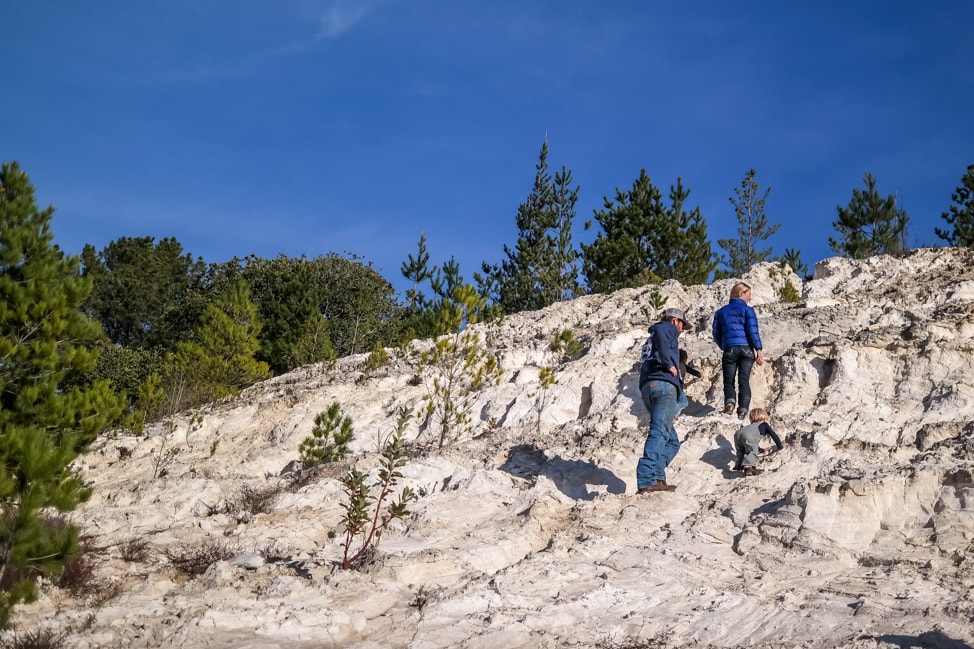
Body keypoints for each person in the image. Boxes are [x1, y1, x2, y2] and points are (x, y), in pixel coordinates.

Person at [636, 307, 690, 494]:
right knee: (659, 433)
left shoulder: (652, 340)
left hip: (649, 387)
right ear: (675, 321)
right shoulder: (666, 328)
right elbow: (660, 332)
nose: (682, 330)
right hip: (664, 385)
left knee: (672, 440)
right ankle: (646, 478)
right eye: (682, 325)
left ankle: (657, 476)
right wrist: (669, 364)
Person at [712, 282, 764, 419]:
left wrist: (724, 345)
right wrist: (758, 349)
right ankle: (743, 410)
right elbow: (753, 331)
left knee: (728, 380)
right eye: (749, 294)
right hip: (746, 349)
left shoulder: (721, 312)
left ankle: (729, 403)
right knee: (744, 381)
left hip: (729, 348)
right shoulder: (748, 310)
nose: (750, 298)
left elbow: (716, 332)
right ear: (741, 294)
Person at [662, 349, 703, 470]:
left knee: (673, 402)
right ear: (684, 359)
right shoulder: (682, 365)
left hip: (669, 386)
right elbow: (692, 371)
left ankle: (670, 413)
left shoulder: (673, 365)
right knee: (683, 402)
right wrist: (699, 375)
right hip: (677, 387)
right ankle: (672, 414)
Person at [732, 407, 784, 476]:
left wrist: (762, 450)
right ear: (764, 417)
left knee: (741, 450)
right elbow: (774, 435)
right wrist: (780, 446)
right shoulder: (764, 425)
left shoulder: (749, 426)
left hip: (738, 433)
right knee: (752, 450)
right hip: (747, 435)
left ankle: (738, 465)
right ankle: (748, 468)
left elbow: (752, 443)